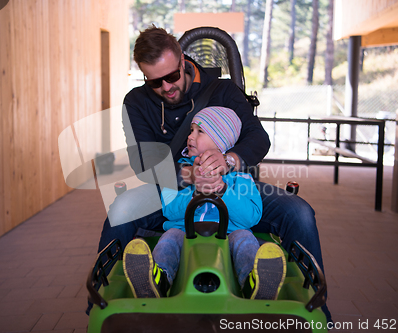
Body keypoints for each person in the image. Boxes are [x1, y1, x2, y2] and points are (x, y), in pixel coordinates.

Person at [97, 25, 331, 322]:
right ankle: (103, 309)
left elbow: (258, 139)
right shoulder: (137, 102)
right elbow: (142, 161)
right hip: (172, 184)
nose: (166, 87)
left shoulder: (223, 91)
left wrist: (228, 162)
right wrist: (190, 175)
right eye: (155, 82)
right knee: (120, 209)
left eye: (172, 76)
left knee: (299, 213)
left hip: (232, 181)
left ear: (183, 61)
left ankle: (316, 308)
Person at [123, 106, 286, 300]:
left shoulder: (240, 177)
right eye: (191, 130)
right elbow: (169, 210)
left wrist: (223, 190)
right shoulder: (180, 173)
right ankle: (157, 280)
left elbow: (250, 217)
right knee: (170, 237)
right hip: (185, 230)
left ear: (221, 142)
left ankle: (255, 282)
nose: (190, 136)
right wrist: (195, 192)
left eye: (199, 131)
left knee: (244, 238)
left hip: (229, 232)